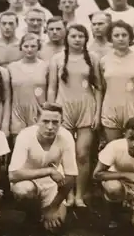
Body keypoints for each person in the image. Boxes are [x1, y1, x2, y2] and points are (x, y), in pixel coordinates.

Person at [47, 24, 102, 207]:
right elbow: (52, 87)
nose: (77, 39)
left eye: (81, 36)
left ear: (86, 39)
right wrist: (51, 113)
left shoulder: (92, 58)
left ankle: (80, 195)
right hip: (64, 109)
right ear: (67, 38)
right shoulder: (57, 58)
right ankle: (67, 194)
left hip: (86, 107)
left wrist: (97, 113)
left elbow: (99, 88)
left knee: (83, 154)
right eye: (74, 36)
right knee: (65, 154)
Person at [8, 102, 77, 233]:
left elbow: (71, 176)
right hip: (28, 181)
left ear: (62, 122)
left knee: (55, 227)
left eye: (55, 122)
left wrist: (52, 208)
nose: (50, 127)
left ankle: (45, 211)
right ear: (36, 121)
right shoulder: (25, 135)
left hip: (52, 184)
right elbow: (13, 175)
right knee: (23, 191)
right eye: (45, 121)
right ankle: (32, 215)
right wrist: (49, 170)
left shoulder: (66, 137)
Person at [101, 20, 134, 142]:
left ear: (130, 37)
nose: (121, 38)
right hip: (111, 109)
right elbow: (103, 87)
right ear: (110, 38)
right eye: (116, 35)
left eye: (124, 35)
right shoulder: (104, 60)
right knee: (113, 148)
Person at [7, 34, 48, 144]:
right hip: (17, 112)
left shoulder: (46, 66)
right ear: (21, 47)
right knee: (19, 148)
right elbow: (7, 95)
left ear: (38, 48)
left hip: (38, 112)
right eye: (26, 46)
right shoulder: (11, 67)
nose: (29, 49)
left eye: (33, 46)